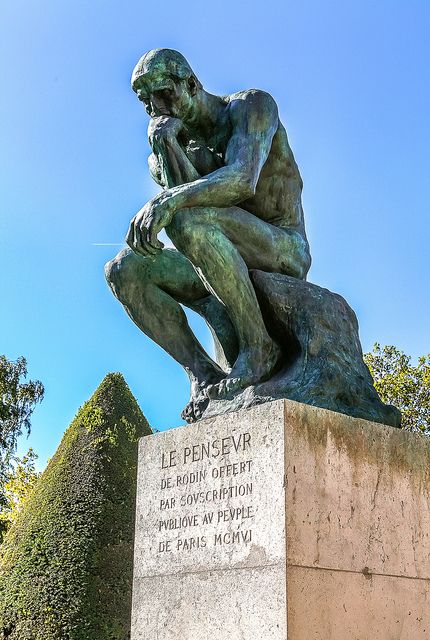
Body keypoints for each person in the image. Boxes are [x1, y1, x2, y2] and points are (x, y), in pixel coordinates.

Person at [105, 48, 311, 419]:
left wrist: (167, 202)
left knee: (185, 218)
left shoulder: (251, 108)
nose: (156, 107)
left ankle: (258, 347)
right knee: (125, 269)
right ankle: (202, 374)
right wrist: (166, 146)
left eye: (164, 93)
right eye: (145, 101)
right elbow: (188, 215)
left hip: (279, 247)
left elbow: (242, 179)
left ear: (191, 83)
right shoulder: (165, 149)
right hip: (216, 254)